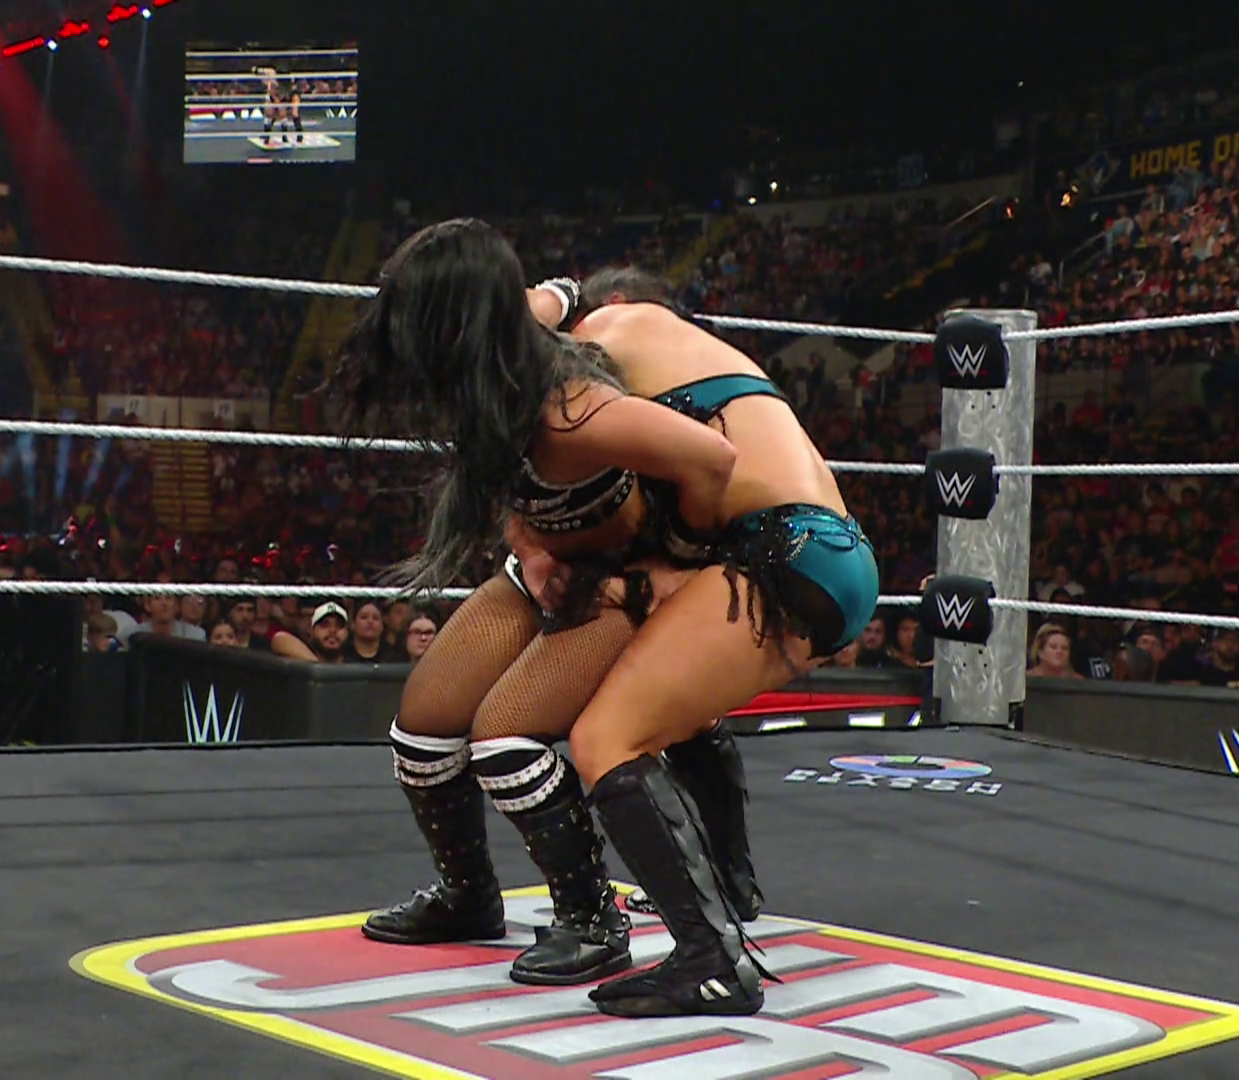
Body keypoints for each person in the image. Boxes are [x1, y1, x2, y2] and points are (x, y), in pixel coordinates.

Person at [337, 227, 877, 1018]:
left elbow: (713, 460)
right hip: (686, 543)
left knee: (604, 735)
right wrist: (533, 544)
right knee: (428, 725)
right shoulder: (537, 342)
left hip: (788, 552)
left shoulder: (578, 398)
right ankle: (479, 895)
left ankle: (699, 957)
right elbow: (546, 302)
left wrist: (676, 557)